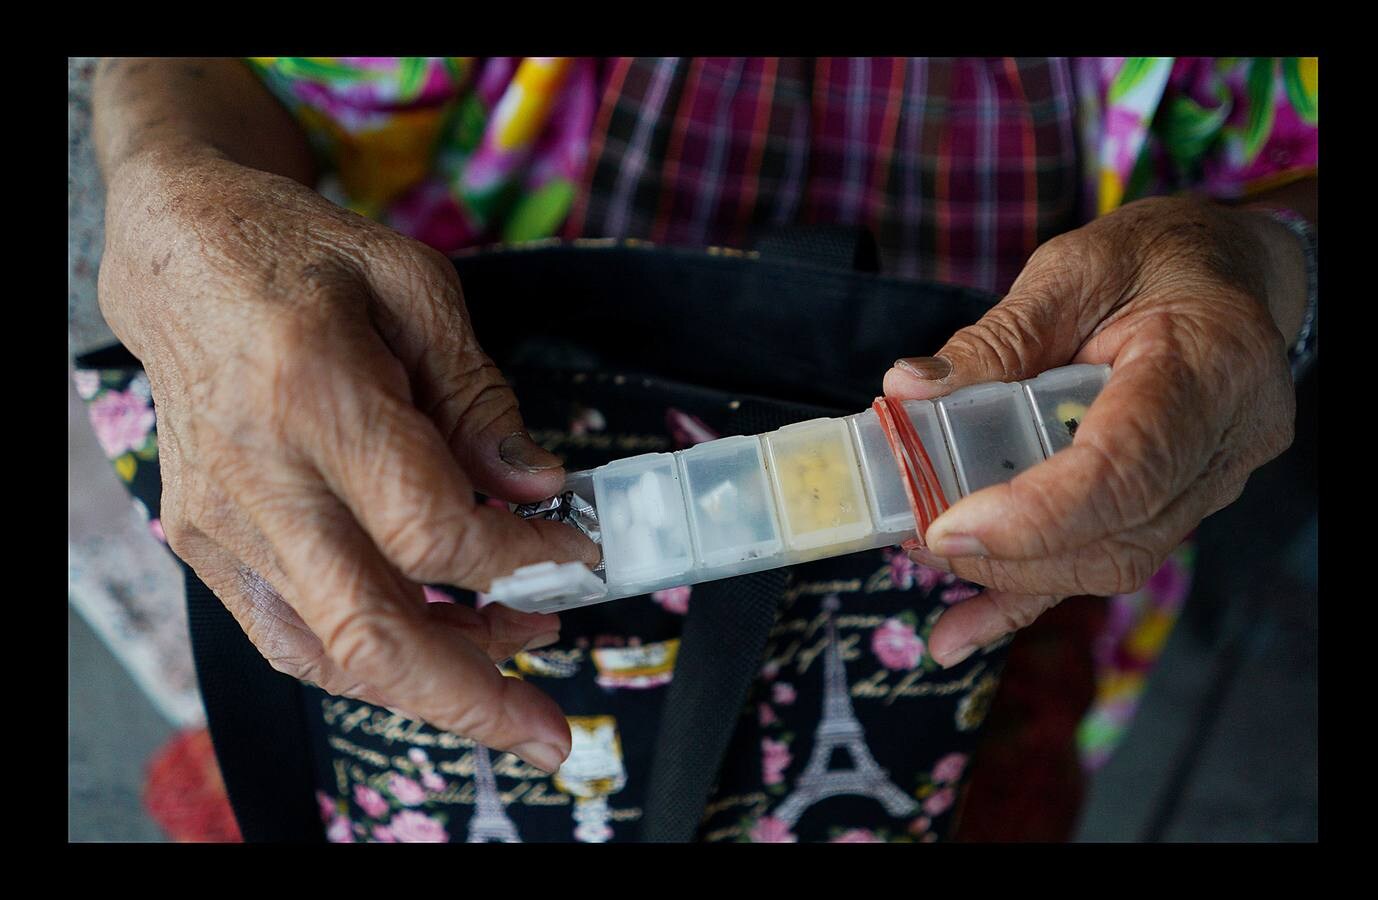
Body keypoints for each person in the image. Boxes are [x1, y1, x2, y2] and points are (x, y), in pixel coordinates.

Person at [86, 57, 1316, 842]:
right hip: (455, 517)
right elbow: (211, 72)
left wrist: (1268, 268)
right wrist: (170, 192)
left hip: (997, 580)